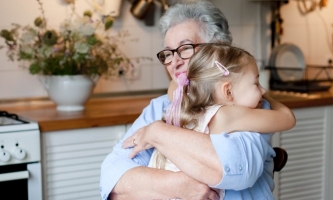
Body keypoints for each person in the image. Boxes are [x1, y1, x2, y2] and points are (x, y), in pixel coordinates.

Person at [100, 1, 296, 200]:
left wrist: (157, 133)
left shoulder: (245, 106)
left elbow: (238, 171)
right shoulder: (161, 106)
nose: (174, 62)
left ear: (219, 52)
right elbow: (112, 180)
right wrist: (176, 186)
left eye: (185, 48)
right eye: (168, 53)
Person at [137, 43, 293, 200]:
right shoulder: (228, 115)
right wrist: (266, 99)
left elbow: (174, 85)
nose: (263, 90)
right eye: (256, 83)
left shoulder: (183, 100)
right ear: (228, 92)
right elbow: (287, 118)